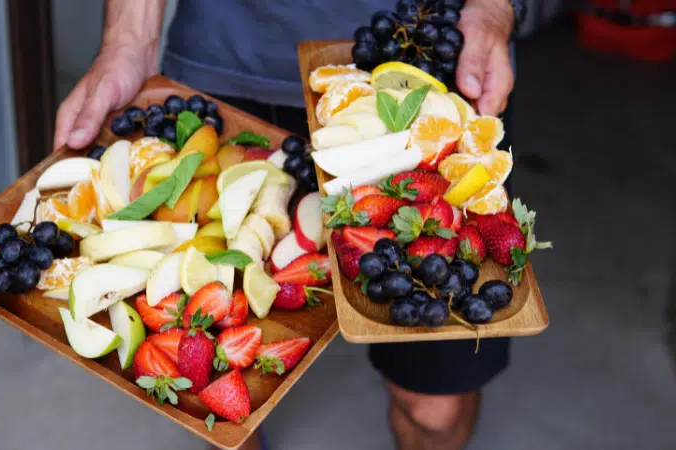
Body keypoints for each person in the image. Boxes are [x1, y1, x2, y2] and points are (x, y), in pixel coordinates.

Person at [54, 1, 523, 449]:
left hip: (423, 79)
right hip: (227, 58)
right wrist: (128, 43)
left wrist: (494, 6)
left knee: (435, 410)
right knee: (219, 387)